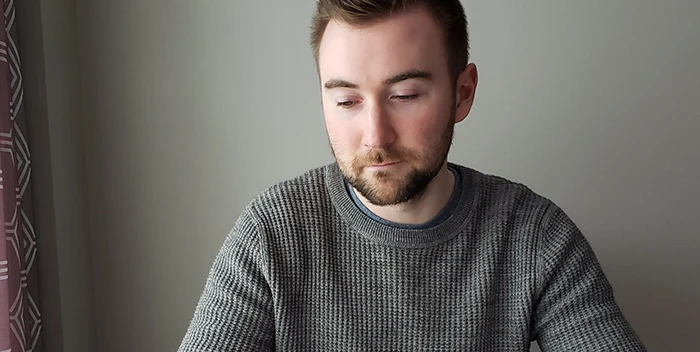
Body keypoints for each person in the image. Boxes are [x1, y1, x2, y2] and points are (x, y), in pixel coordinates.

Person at [178, 0, 647, 350]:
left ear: (462, 93)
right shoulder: (273, 232)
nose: (375, 136)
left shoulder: (534, 236)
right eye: (346, 102)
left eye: (404, 95)